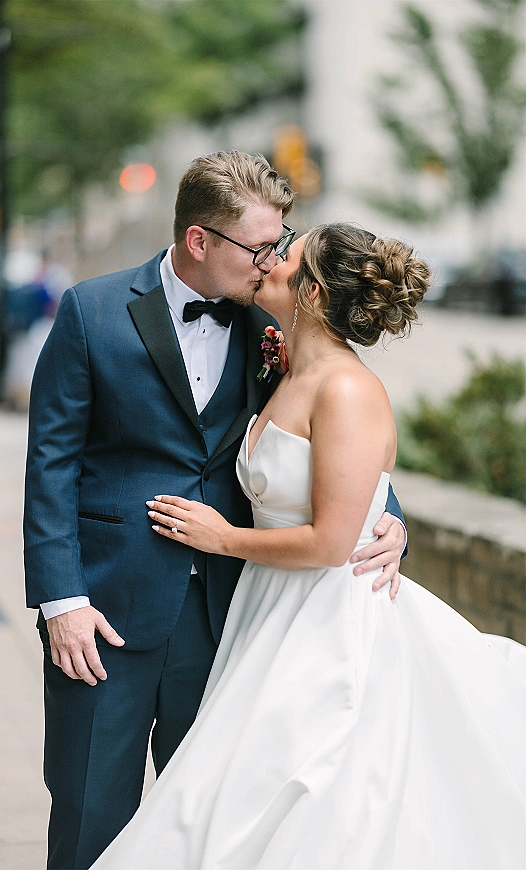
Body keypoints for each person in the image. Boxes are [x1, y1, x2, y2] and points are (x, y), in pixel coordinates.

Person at [91, 224, 525, 870]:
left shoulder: (347, 390)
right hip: (268, 612)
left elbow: (331, 540)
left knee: (296, 791)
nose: (268, 260)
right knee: (216, 795)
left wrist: (224, 537)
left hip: (327, 623)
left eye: (285, 255)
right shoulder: (288, 370)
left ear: (313, 293)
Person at [23, 153, 407, 870]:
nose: (272, 262)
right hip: (106, 613)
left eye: (280, 242)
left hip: (232, 623)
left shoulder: (276, 330)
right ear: (200, 241)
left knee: (209, 827)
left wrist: (392, 521)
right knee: (88, 814)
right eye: (260, 247)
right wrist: (61, 600)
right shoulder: (91, 311)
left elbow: (338, 439)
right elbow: (50, 464)